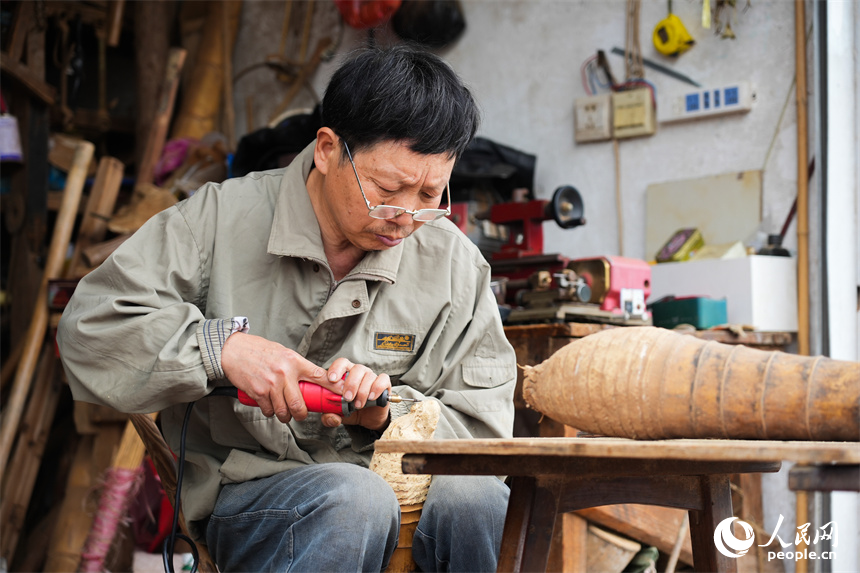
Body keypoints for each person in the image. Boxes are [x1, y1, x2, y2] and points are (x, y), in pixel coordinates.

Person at [58, 44, 516, 572]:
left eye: (432, 194)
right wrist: (219, 350)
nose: (406, 216)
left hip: (404, 489)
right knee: (353, 500)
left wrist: (388, 414)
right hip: (251, 492)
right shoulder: (216, 220)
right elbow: (91, 325)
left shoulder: (456, 265)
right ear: (326, 149)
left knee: (480, 500)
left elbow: (485, 428)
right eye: (388, 190)